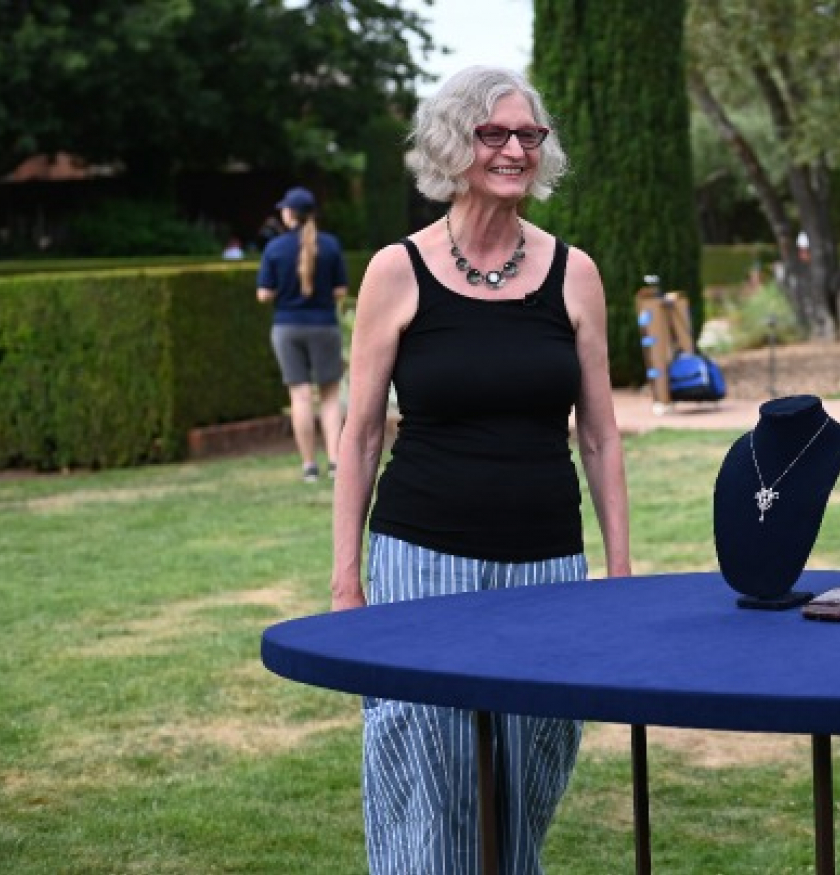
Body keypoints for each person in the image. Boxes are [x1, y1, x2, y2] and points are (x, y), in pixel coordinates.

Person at [332, 65, 632, 874]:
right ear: (452, 144)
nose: (513, 150)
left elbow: (600, 437)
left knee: (532, 773)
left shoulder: (576, 273)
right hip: (421, 560)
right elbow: (360, 436)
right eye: (492, 133)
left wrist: (620, 576)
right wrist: (345, 585)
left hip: (550, 568)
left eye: (527, 135)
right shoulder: (398, 271)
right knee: (434, 783)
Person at [257, 186, 348, 482]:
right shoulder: (331, 245)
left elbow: (264, 294)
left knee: (300, 396)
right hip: (323, 326)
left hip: (287, 326)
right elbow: (340, 291)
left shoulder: (274, 248)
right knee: (330, 397)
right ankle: (336, 462)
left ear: (289, 214)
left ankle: (309, 466)